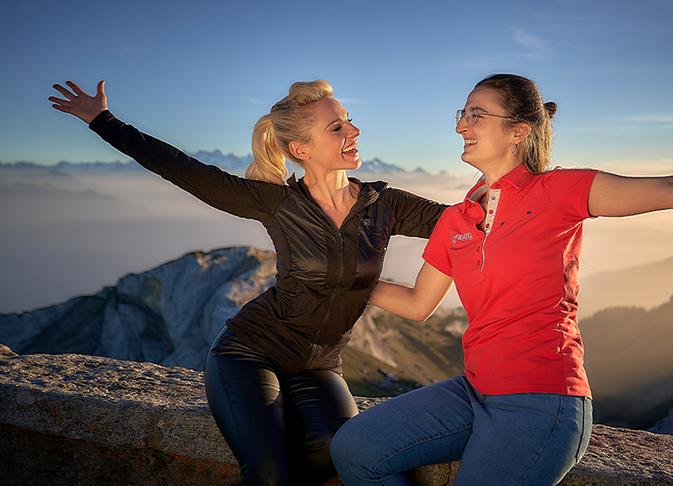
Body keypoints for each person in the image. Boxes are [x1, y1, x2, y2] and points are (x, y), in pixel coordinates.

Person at [329, 73, 673, 485]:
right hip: (475, 391)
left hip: (543, 400)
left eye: (476, 115)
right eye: (462, 114)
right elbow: (419, 303)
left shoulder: (559, 192)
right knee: (355, 449)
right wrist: (344, 275)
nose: (459, 125)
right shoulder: (455, 220)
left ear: (519, 131)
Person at [49, 79, 448, 485]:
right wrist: (103, 120)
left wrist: (505, 173)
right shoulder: (277, 203)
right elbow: (184, 170)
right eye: (337, 127)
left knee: (337, 453)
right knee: (269, 473)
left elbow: (463, 221)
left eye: (349, 120)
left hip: (319, 365)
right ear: (301, 150)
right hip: (249, 352)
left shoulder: (385, 206)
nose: (354, 131)